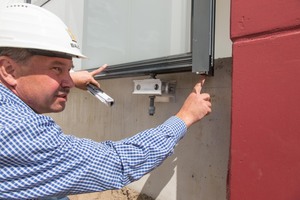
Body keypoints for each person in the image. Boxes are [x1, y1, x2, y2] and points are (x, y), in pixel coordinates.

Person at [0, 3, 212, 200]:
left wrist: (68, 77)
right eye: (56, 68)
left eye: (69, 69)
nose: (68, 82)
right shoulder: (19, 131)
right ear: (9, 69)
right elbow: (117, 163)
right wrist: (183, 118)